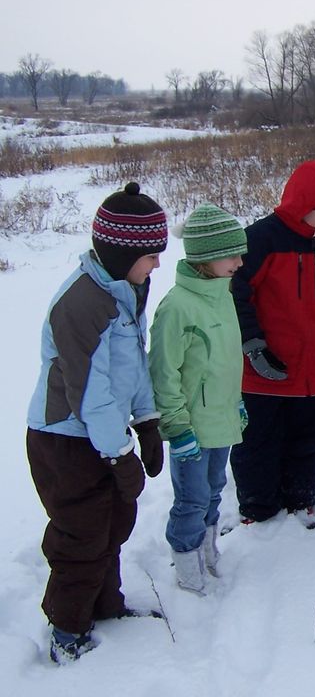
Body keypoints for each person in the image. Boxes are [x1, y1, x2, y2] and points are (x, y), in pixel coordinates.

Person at [25, 182, 168, 663]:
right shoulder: (82, 304)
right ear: (118, 251)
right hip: (65, 440)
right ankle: (67, 629)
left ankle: (104, 606)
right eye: (150, 255)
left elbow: (134, 363)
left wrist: (146, 421)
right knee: (81, 535)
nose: (157, 265)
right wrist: (118, 451)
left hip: (104, 436)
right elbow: (90, 391)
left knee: (114, 524)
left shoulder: (126, 288)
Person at [230, 160, 315, 528]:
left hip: (314, 370)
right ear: (299, 201)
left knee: (309, 439)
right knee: (258, 443)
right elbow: (237, 295)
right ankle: (257, 507)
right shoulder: (259, 240)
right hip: (266, 368)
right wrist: (254, 347)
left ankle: (301, 499)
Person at [148, 204, 248, 594]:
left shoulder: (222, 294)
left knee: (213, 491)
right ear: (204, 257)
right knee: (191, 500)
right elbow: (163, 372)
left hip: (220, 418)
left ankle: (208, 554)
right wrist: (176, 426)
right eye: (231, 254)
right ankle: (188, 569)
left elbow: (224, 360)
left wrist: (235, 401)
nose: (240, 262)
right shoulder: (177, 307)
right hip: (191, 425)